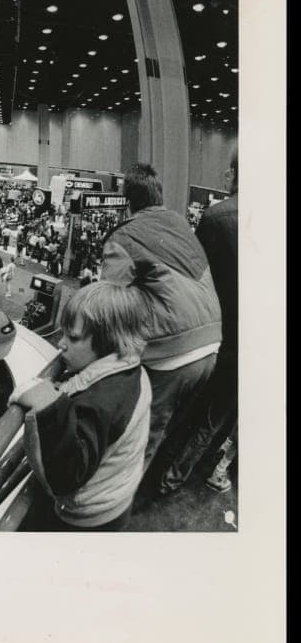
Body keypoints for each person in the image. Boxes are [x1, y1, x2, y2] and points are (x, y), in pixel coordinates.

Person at [100, 164, 222, 478]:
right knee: (164, 425)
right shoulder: (180, 224)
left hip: (173, 352)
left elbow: (109, 302)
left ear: (127, 200)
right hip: (211, 346)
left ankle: (116, 500)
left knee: (143, 431)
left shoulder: (124, 236)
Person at [11, 281, 151, 531]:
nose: (60, 344)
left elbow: (67, 476)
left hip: (89, 518)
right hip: (115, 498)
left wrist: (48, 403)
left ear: (109, 341)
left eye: (72, 337)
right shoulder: (131, 369)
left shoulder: (101, 401)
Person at [158, 156, 239, 495]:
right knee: (214, 419)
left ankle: (157, 469)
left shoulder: (219, 217)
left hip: (210, 336)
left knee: (186, 406)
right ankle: (173, 478)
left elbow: (192, 280)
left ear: (233, 173)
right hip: (250, 348)